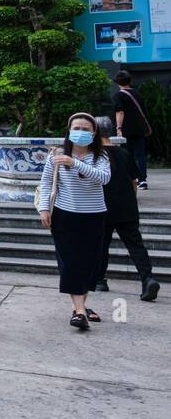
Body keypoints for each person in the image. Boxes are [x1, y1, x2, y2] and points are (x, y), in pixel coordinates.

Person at [36, 112, 110, 330]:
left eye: (85, 129)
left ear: (94, 133)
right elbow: (47, 183)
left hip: (94, 216)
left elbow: (104, 178)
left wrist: (75, 163)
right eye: (76, 129)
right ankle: (79, 311)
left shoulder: (101, 157)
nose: (80, 133)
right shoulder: (56, 155)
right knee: (70, 263)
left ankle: (80, 308)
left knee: (89, 264)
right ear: (69, 131)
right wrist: (43, 210)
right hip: (64, 215)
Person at [92, 117, 159, 300]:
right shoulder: (124, 154)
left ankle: (100, 280)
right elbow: (134, 182)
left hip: (102, 207)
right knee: (136, 245)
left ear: (95, 132)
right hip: (127, 207)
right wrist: (131, 201)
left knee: (101, 245)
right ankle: (147, 279)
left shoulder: (95, 155)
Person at [113, 70, 152, 190]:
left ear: (117, 83)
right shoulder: (137, 94)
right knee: (140, 155)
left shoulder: (118, 95)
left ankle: (130, 179)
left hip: (127, 130)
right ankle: (142, 180)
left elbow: (120, 112)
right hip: (140, 129)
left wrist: (119, 128)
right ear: (130, 81)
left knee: (126, 155)